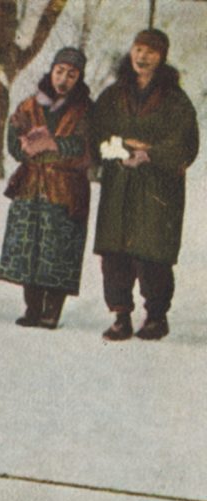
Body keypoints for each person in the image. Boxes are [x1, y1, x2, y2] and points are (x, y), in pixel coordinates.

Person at [91, 29, 199, 341]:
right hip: (120, 183)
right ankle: (120, 315)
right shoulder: (114, 95)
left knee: (153, 251)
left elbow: (186, 142)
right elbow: (96, 131)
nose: (142, 56)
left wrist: (149, 153)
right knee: (114, 251)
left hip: (157, 187)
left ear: (162, 57)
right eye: (139, 49)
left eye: (151, 51)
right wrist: (120, 151)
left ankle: (156, 316)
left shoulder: (175, 100)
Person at [0, 47, 93, 330]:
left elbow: (86, 147)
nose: (63, 79)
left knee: (59, 249)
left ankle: (52, 310)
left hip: (66, 189)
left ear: (79, 78)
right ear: (51, 71)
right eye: (59, 72)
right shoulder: (29, 105)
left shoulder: (86, 110)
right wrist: (25, 147)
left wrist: (54, 146)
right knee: (29, 246)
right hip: (31, 184)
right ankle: (32, 307)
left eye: (71, 74)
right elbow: (13, 140)